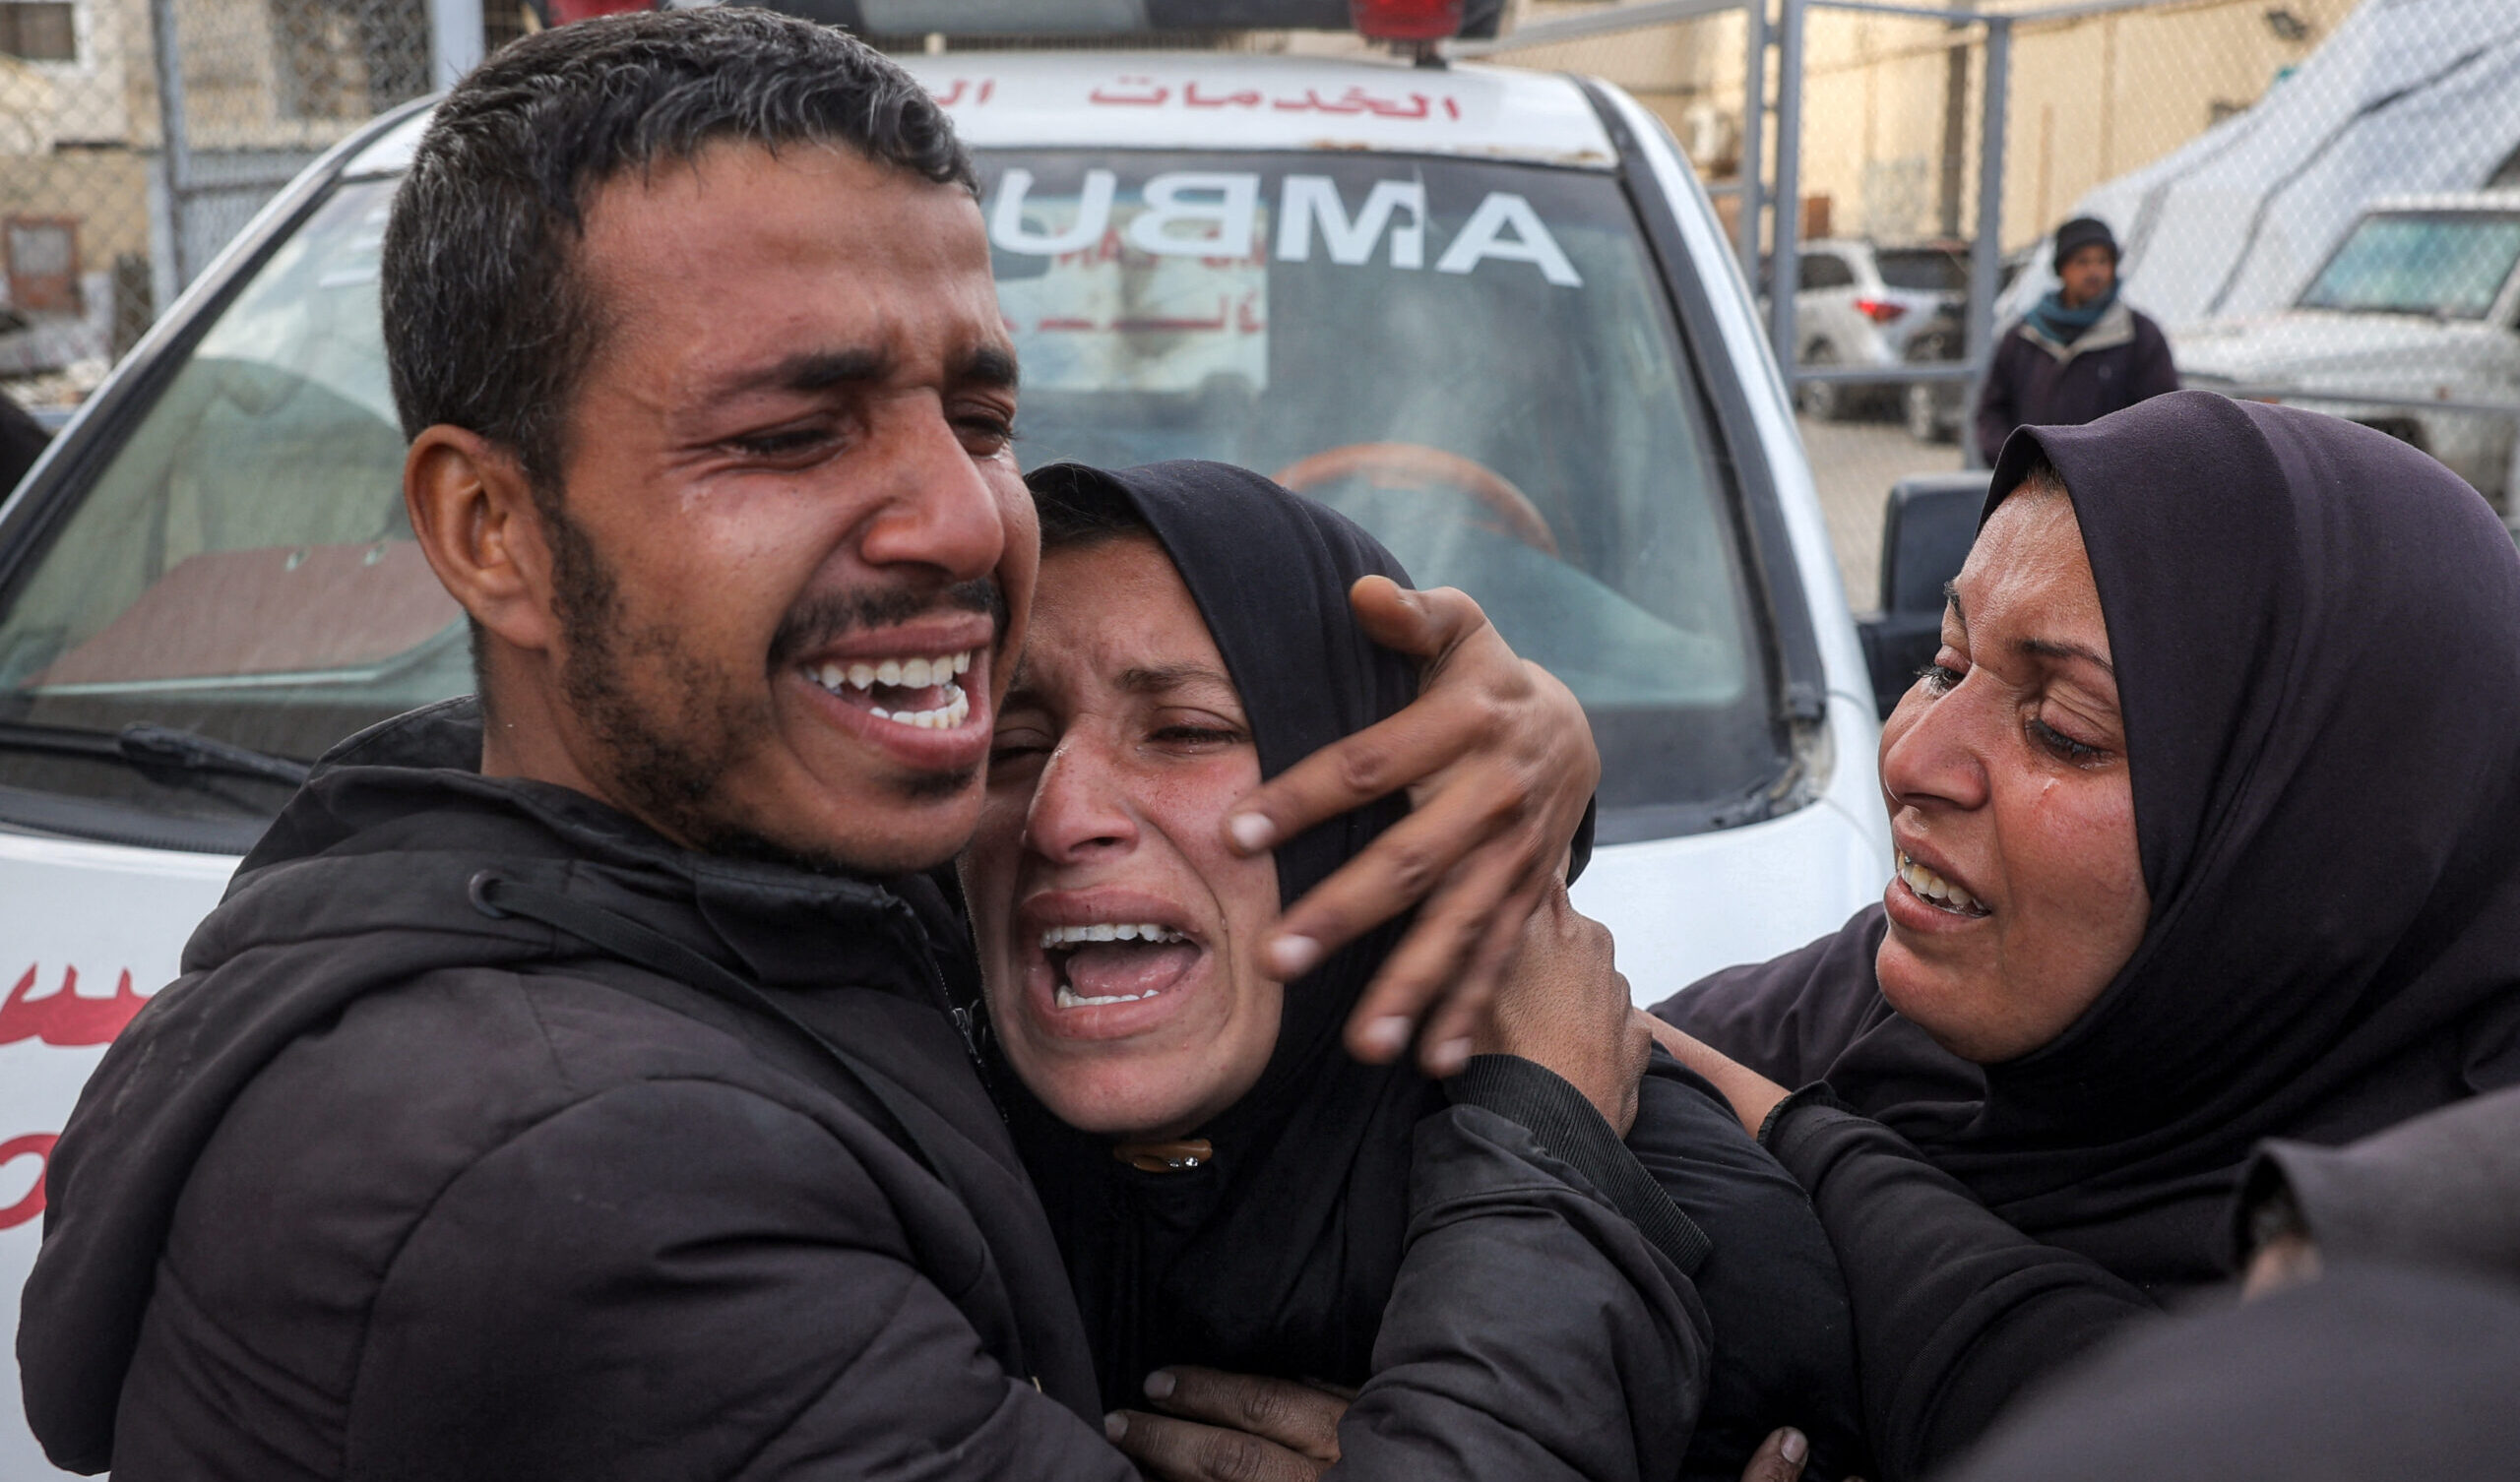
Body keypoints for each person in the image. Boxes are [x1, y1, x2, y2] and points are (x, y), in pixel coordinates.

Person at [14, 15, 1649, 1479]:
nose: (963, 517)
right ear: (492, 530)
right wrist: (1551, 1162)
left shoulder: (698, 866)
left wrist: (1497, 752)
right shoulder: (591, 1187)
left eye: (985, 422)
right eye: (794, 435)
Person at [1651, 391, 2520, 1480]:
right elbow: (1542, 1043)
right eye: (1944, 664)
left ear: (2312, 844)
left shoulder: (2421, 1320)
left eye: (2063, 730)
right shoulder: (1903, 1003)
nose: (1913, 759)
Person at [960, 460, 1868, 1482]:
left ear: (1385, 803)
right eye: (1011, 743)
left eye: (1184, 732)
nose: (1060, 813)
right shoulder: (886, 1154)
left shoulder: (1690, 1233)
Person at [1972, 216, 2177, 465]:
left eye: (2103, 261)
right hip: (2032, 484)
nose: (2094, 272)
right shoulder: (2024, 336)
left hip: (2110, 485)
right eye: (2082, 262)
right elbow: (1992, 411)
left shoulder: (2139, 336)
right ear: (2062, 269)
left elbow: (2162, 419)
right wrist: (2015, 462)